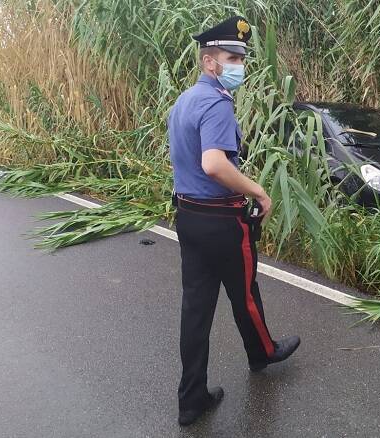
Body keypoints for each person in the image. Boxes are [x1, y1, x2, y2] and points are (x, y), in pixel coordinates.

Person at [167, 15, 301, 426]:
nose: (238, 64)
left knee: (196, 308)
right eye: (231, 57)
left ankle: (191, 400)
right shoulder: (217, 102)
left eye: (241, 57)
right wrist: (258, 191)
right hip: (222, 222)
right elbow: (213, 163)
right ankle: (263, 352)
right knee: (243, 293)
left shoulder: (184, 100)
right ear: (209, 62)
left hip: (188, 217)